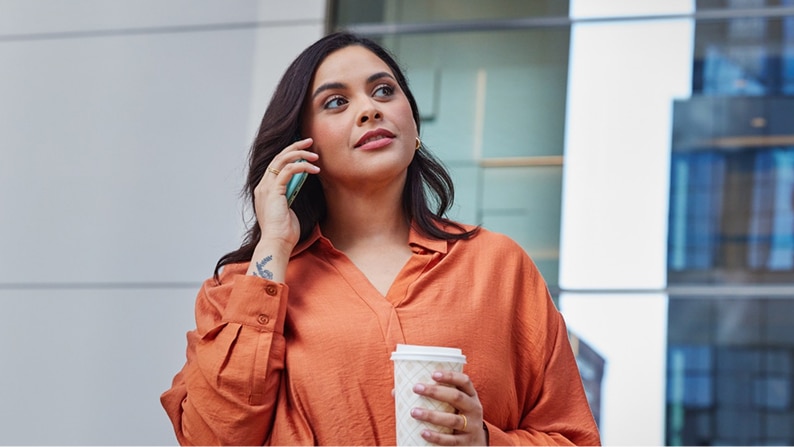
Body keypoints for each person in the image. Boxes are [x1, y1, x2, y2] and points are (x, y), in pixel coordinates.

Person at [160, 31, 601, 446]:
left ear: (413, 124)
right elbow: (214, 436)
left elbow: (574, 437)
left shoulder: (498, 266)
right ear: (301, 144)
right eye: (336, 102)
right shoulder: (242, 287)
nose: (370, 109)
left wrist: (485, 441)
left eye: (384, 91)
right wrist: (273, 244)